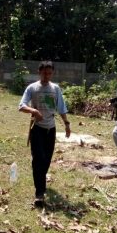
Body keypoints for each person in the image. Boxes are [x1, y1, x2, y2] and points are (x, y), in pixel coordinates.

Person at [19, 61, 71, 207]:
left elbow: (61, 108)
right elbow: (21, 105)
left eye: (49, 73)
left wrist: (67, 124)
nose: (46, 76)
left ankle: (41, 181)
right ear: (39, 72)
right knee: (38, 159)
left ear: (52, 73)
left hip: (51, 129)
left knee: (47, 159)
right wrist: (34, 111)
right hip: (37, 129)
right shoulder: (32, 88)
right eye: (44, 73)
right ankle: (39, 193)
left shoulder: (55, 89)